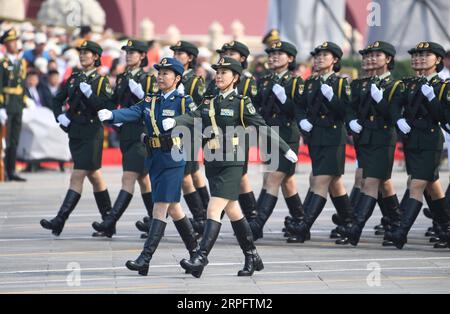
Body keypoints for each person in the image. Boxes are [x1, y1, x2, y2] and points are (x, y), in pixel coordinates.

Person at [162, 57, 298, 278]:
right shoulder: (209, 101)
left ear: (235, 77)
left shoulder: (241, 102)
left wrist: (285, 149)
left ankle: (200, 257)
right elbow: (194, 116)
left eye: (224, 72)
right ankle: (252, 255)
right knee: (234, 210)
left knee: (214, 209)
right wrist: (176, 121)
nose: (219, 75)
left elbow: (262, 127)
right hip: (213, 161)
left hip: (233, 162)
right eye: (217, 71)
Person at [97, 57, 199, 276]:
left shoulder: (183, 100)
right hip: (154, 157)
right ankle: (197, 253)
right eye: (159, 73)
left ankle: (145, 258)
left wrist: (179, 121)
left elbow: (197, 117)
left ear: (177, 78)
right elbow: (134, 112)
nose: (161, 77)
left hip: (174, 157)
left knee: (160, 207)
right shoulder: (151, 99)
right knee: (174, 208)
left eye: (166, 74)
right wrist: (112, 115)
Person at [40, 40, 114, 236]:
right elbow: (57, 99)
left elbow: (106, 108)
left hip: (92, 132)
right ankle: (109, 222)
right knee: (95, 176)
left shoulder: (101, 81)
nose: (82, 56)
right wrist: (60, 116)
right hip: (75, 132)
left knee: (78, 175)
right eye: (81, 52)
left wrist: (89, 93)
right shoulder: (74, 78)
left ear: (96, 57)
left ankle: (60, 220)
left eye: (87, 53)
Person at [384, 42, 450, 249]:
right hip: (412, 139)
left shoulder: (443, 86)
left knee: (416, 184)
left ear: (438, 60)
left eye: (425, 55)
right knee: (432, 186)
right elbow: (394, 104)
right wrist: (398, 119)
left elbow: (443, 116)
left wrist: (432, 97)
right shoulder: (408, 83)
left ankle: (400, 231)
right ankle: (446, 228)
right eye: (416, 55)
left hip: (430, 139)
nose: (418, 58)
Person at [338, 41, 404, 246]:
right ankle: (396, 225)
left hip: (383, 138)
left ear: (388, 59)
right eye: (368, 56)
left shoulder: (396, 86)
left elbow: (393, 114)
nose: (370, 59)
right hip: (364, 137)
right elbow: (350, 108)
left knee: (370, 182)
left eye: (376, 55)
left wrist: (380, 99)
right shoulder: (359, 84)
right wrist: (352, 122)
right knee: (383, 183)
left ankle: (354, 228)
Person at [287, 42, 353, 243]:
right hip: (316, 137)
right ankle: (349, 224)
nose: (319, 58)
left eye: (325, 55)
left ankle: (303, 226)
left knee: (320, 180)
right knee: (334, 183)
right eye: (317, 55)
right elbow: (299, 107)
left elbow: (346, 111)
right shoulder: (309, 83)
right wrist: (302, 121)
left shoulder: (342, 84)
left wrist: (332, 97)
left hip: (334, 137)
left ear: (335, 60)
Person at [91, 40, 156, 238]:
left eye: (133, 52)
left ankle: (110, 221)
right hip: (126, 133)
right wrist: (109, 113)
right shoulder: (122, 77)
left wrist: (142, 94)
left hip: (141, 133)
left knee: (128, 177)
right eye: (127, 52)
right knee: (144, 180)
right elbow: (115, 101)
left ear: (143, 56)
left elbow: (152, 104)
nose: (128, 55)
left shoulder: (149, 78)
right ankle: (155, 223)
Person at [248, 41, 305, 241]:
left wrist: (284, 99)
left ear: (290, 59)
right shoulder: (264, 80)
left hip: (287, 136)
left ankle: (256, 225)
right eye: (271, 54)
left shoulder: (295, 82)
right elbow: (256, 107)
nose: (273, 57)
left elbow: (297, 111)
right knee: (285, 181)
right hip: (268, 134)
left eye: (279, 54)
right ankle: (301, 221)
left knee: (273, 178)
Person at [208, 40, 259, 222]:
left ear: (242, 58)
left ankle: (252, 217)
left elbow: (251, 110)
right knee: (231, 178)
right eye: (224, 52)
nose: (226, 55)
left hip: (239, 135)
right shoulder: (217, 80)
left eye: (231, 53)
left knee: (240, 176)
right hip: (216, 137)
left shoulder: (246, 81)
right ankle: (242, 218)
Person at [170, 40, 209, 235]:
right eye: (175, 53)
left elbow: (201, 108)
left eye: (180, 53)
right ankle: (206, 212)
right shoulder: (172, 77)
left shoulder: (194, 80)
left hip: (190, 132)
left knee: (185, 177)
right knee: (193, 174)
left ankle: (201, 217)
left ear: (190, 58)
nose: (176, 56)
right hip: (175, 131)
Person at [0, 29, 28, 182]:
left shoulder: (21, 62)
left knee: (15, 138)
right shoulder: (3, 63)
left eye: (15, 41)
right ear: (5, 44)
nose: (14, 44)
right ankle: (3, 170)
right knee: (6, 139)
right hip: (7, 103)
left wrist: (25, 99)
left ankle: (11, 170)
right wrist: (1, 106)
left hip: (17, 104)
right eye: (11, 41)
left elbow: (22, 83)